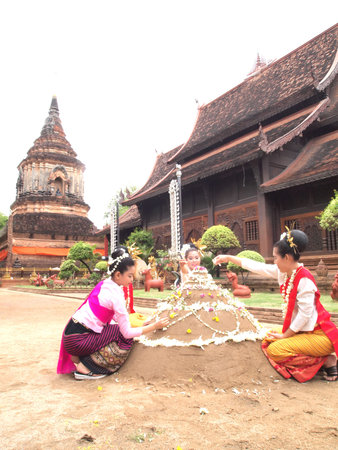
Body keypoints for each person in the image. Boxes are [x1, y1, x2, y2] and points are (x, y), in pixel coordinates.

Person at [213, 229, 338, 383]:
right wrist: (229, 258)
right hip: (303, 332)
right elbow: (256, 266)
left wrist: (285, 336)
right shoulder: (283, 272)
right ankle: (319, 359)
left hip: (320, 336)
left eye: (275, 258)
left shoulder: (304, 279)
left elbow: (304, 315)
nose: (274, 262)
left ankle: (327, 361)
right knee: (266, 336)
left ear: (286, 257)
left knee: (275, 350)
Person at [57, 246, 169, 380]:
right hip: (77, 342)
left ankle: (79, 359)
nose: (132, 280)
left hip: (69, 338)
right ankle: (88, 367)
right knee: (123, 335)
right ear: (117, 274)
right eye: (129, 276)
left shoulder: (105, 284)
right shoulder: (116, 296)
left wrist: (142, 324)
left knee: (115, 329)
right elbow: (126, 332)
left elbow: (117, 318)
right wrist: (153, 327)